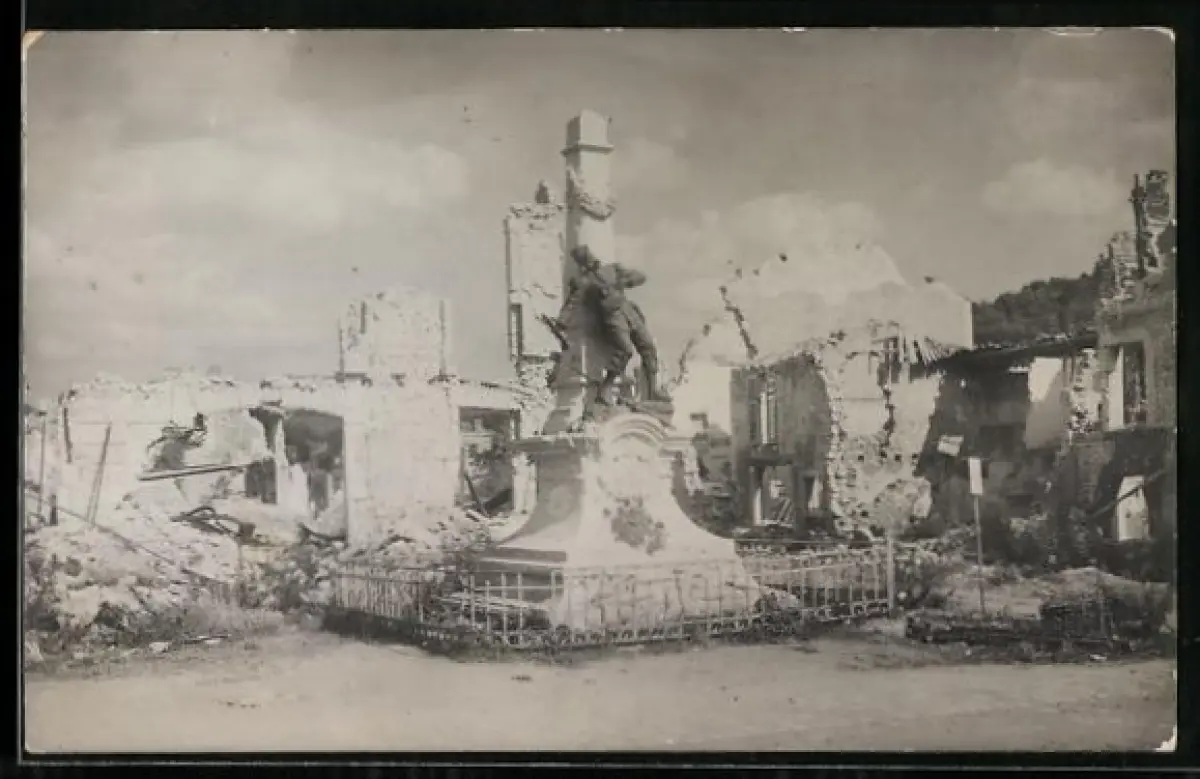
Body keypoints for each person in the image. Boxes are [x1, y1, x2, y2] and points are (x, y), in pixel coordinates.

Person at [552, 245, 670, 405]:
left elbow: (640, 277)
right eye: (585, 259)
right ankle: (606, 387)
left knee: (648, 346)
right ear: (581, 263)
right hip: (612, 318)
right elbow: (572, 304)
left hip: (629, 311)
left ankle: (653, 390)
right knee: (625, 350)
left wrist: (627, 280)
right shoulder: (583, 282)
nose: (590, 260)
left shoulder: (613, 269)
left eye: (589, 256)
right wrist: (561, 323)